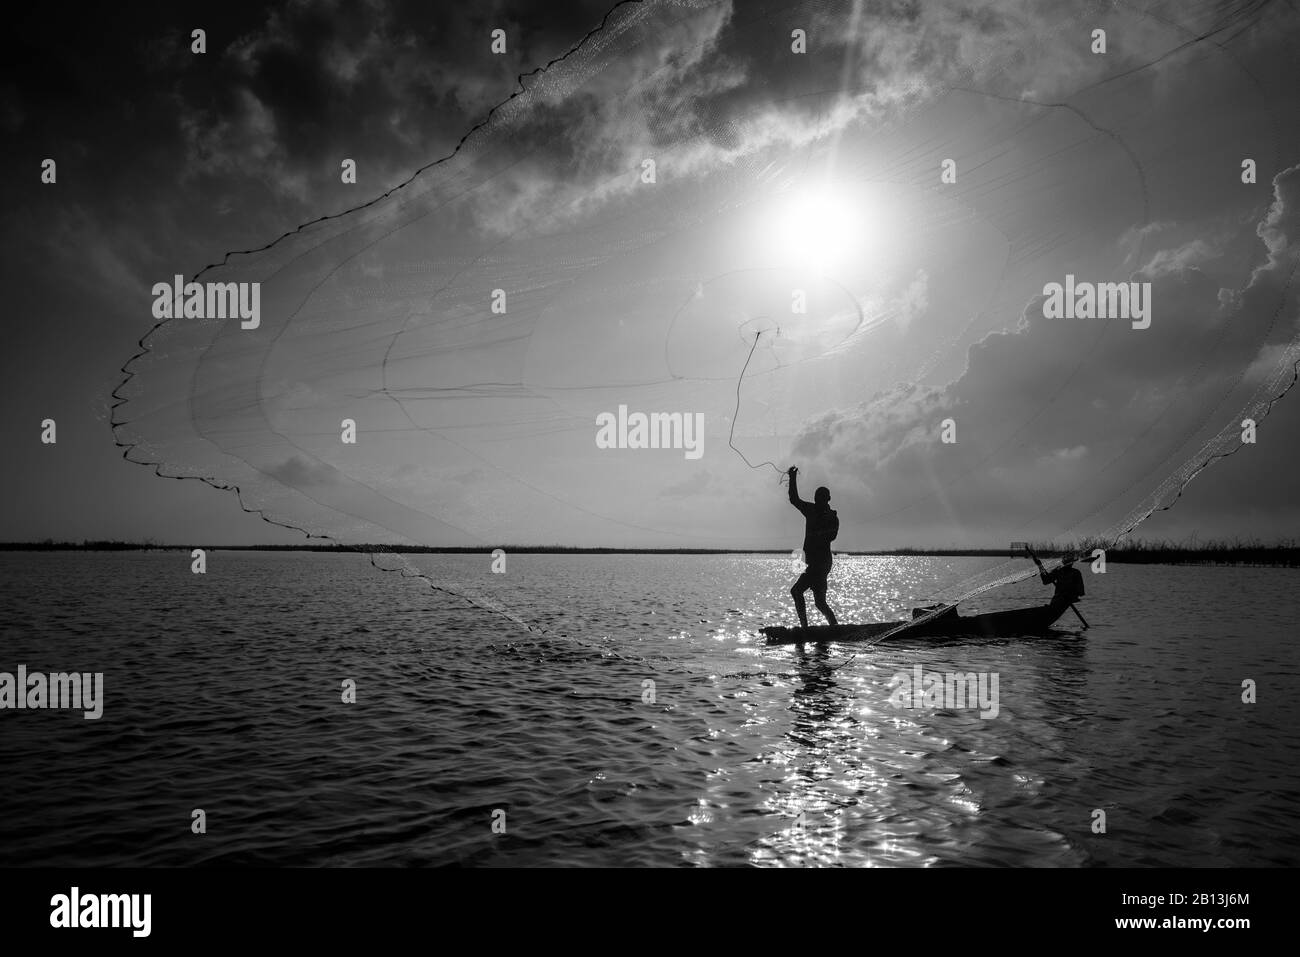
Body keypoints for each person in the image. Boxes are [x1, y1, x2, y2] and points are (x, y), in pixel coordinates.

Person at [786, 466, 838, 628]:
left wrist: (819, 532)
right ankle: (833, 628)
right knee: (819, 603)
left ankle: (808, 628)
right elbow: (794, 499)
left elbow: (831, 536)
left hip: (821, 565)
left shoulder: (832, 517)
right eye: (816, 497)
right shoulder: (811, 510)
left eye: (821, 497)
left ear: (827, 499)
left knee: (798, 592)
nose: (818, 500)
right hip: (811, 564)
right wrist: (792, 477)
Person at [1029, 547, 1085, 614]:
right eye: (1065, 559)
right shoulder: (1059, 570)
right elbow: (1046, 580)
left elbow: (1080, 592)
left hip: (1065, 600)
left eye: (1069, 559)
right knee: (1054, 605)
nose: (1067, 561)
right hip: (1058, 600)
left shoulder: (1075, 573)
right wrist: (1040, 565)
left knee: (1056, 603)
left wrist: (1070, 595)